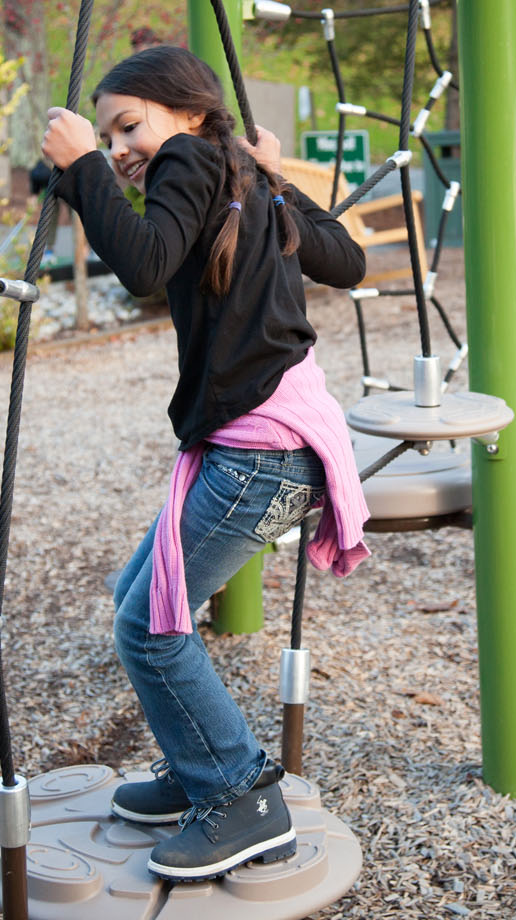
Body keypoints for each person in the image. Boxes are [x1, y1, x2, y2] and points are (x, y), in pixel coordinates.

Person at [40, 45, 372, 883]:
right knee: (137, 596)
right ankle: (199, 771)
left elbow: (145, 268)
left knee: (148, 628)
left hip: (264, 452)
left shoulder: (190, 157)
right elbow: (345, 258)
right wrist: (269, 173)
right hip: (274, 443)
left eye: (129, 125)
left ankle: (239, 795)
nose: (120, 145)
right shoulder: (229, 172)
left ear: (188, 112)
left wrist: (83, 169)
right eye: (109, 135)